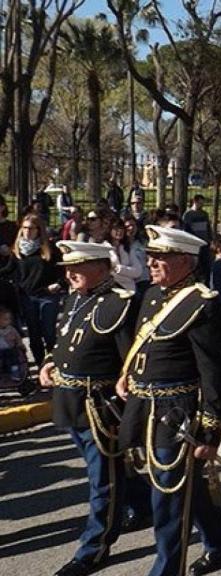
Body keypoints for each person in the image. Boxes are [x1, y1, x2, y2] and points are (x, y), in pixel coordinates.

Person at [115, 225, 221, 576]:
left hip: (177, 414)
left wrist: (211, 432)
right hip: (144, 405)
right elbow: (146, 346)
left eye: (160, 257)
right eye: (151, 256)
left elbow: (216, 375)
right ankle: (220, 538)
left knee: (167, 498)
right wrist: (129, 373)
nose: (151, 262)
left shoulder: (203, 305)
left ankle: (166, 570)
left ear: (185, 261)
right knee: (184, 486)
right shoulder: (153, 295)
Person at [38, 242, 139, 576]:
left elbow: (131, 364)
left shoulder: (118, 304)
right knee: (111, 472)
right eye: (67, 268)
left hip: (99, 407)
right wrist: (49, 363)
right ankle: (139, 505)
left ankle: (93, 549)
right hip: (69, 403)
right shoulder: (75, 297)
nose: (69, 274)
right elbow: (64, 340)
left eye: (78, 267)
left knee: (103, 482)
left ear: (101, 267)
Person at [13, 213, 63, 368]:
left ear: (38, 230)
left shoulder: (49, 248)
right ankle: (42, 365)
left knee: (49, 333)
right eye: (25, 228)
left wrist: (59, 284)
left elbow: (62, 270)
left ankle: (53, 364)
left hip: (48, 296)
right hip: (28, 297)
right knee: (34, 334)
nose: (27, 231)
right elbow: (9, 271)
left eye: (31, 228)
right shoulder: (17, 251)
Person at [110, 218, 146, 292]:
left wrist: (119, 269)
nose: (120, 231)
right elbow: (110, 274)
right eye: (116, 228)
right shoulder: (104, 248)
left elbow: (138, 271)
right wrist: (129, 274)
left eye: (121, 228)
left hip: (131, 290)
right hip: (113, 290)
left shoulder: (127, 248)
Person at [0, 306, 26, 381]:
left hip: (10, 349)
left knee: (14, 360)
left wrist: (20, 344)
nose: (8, 321)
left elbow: (18, 338)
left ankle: (15, 373)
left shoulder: (11, 329)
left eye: (9, 319)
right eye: (5, 319)